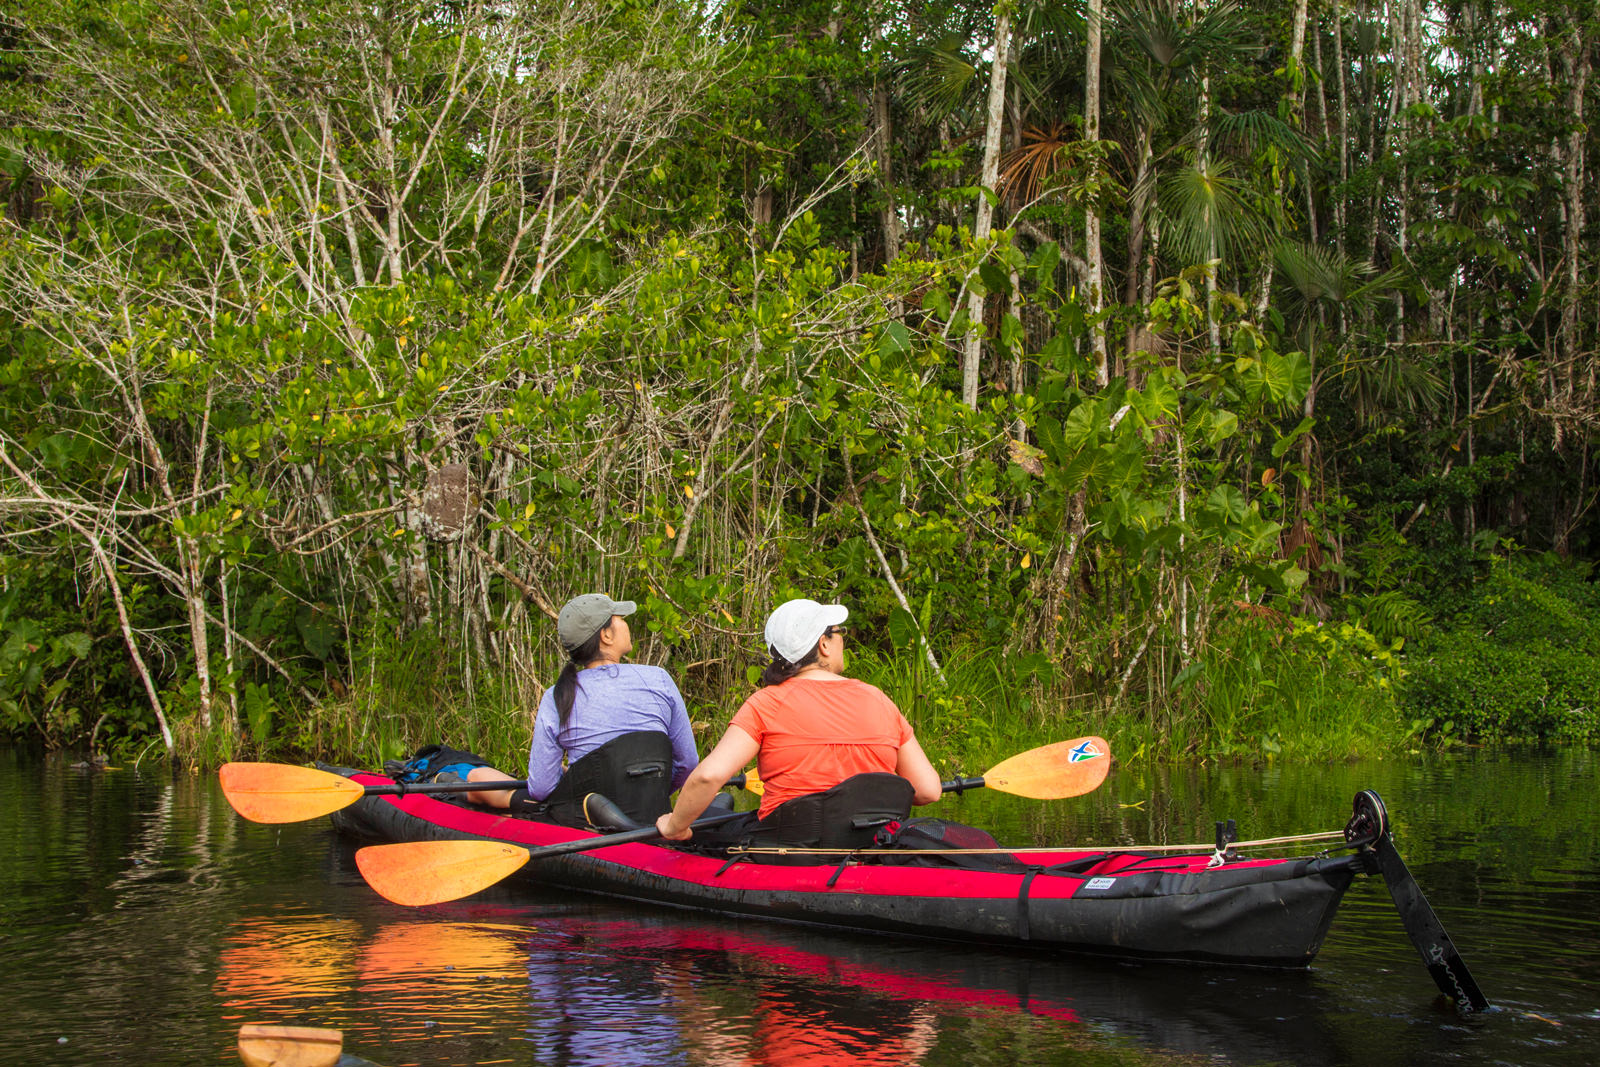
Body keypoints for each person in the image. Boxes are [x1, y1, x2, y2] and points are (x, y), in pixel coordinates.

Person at [655, 598, 941, 845]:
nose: (843, 639)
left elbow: (708, 777)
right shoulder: (880, 699)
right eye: (839, 633)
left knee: (709, 814)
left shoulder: (766, 703)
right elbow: (928, 789)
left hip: (790, 847)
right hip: (870, 842)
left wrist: (674, 826)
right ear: (824, 644)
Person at [525, 593, 699, 822]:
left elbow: (540, 788)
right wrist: (648, 794)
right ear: (606, 635)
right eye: (620, 618)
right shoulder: (659, 680)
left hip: (589, 827)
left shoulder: (556, 696)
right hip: (653, 820)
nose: (626, 624)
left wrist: (569, 776)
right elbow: (688, 763)